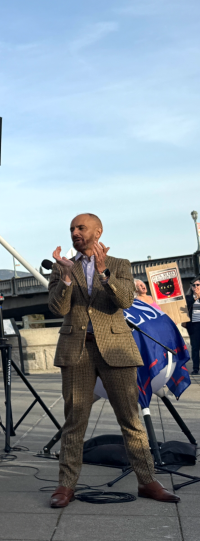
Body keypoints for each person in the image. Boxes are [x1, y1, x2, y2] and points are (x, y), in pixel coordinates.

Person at [48, 213, 179, 507]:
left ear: (98, 231)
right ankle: (65, 486)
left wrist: (105, 273)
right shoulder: (61, 268)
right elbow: (58, 307)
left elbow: (125, 301)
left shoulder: (120, 265)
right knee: (74, 421)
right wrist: (67, 275)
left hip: (116, 349)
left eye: (81, 228)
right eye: (72, 229)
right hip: (76, 350)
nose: (75, 233)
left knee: (130, 419)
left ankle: (147, 481)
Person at [182, 277, 200, 374]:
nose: (196, 287)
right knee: (195, 346)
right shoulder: (188, 297)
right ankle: (196, 367)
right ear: (191, 287)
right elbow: (185, 307)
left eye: (198, 285)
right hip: (193, 325)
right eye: (194, 285)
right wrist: (194, 298)